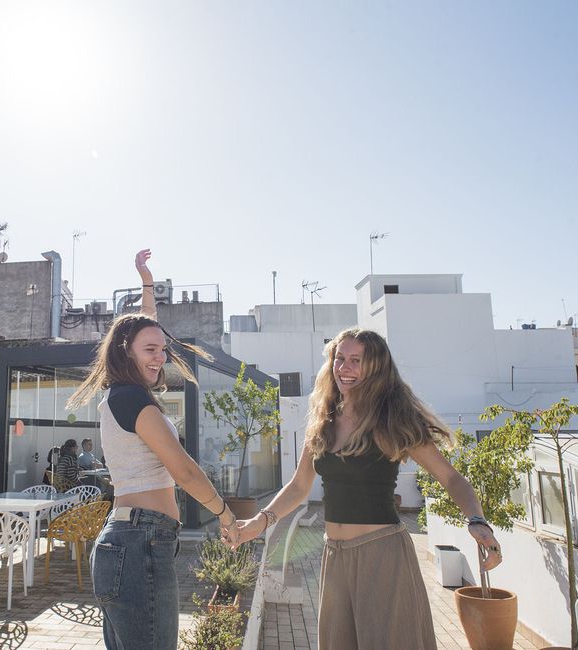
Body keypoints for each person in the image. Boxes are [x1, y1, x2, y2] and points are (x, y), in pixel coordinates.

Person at [232, 328, 503, 650]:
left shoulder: (393, 420)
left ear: (375, 367)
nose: (344, 368)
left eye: (355, 361)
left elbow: (452, 478)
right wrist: (258, 524)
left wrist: (477, 520)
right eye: (339, 359)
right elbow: (298, 486)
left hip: (382, 555)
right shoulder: (323, 421)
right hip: (334, 556)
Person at [67, 249, 238, 650]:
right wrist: (226, 516)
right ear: (126, 350)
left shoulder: (121, 395)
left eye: (163, 351)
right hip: (140, 540)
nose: (161, 358)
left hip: (128, 539)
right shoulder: (133, 401)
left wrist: (147, 283)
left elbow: (146, 330)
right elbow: (185, 472)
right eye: (150, 352)